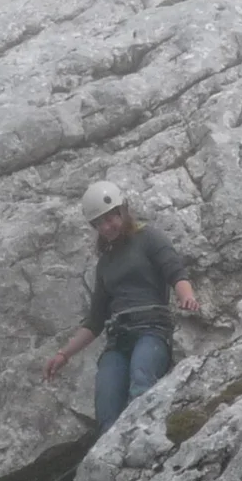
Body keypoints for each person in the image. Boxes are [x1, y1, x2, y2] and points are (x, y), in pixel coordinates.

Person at [44, 182, 200, 431]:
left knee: (141, 380)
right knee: (107, 405)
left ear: (122, 211)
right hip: (118, 339)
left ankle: (145, 440)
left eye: (110, 218)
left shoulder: (149, 237)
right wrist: (64, 355)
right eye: (99, 223)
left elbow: (174, 271)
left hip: (152, 330)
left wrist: (186, 296)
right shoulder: (105, 264)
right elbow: (95, 320)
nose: (106, 227)